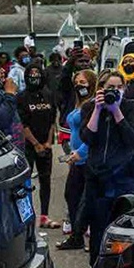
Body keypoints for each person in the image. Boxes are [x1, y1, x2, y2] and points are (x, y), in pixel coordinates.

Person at [81, 71, 134, 264]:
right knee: (99, 228)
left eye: (119, 88)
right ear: (101, 89)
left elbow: (132, 139)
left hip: (123, 176)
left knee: (125, 227)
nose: (114, 92)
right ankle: (98, 267)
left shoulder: (130, 106)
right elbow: (87, 138)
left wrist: (116, 111)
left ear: (124, 88)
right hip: (98, 178)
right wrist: (98, 110)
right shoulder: (90, 107)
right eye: (110, 88)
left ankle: (126, 267)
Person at [55, 69, 97, 251]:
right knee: (72, 196)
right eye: (77, 82)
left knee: (88, 200)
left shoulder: (93, 105)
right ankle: (76, 236)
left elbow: (94, 132)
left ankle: (91, 235)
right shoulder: (78, 103)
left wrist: (81, 151)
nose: (79, 85)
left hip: (87, 157)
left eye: (83, 82)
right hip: (76, 158)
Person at [17, 63, 59, 229]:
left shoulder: (48, 94)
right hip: (29, 145)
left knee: (45, 180)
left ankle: (44, 216)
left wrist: (48, 142)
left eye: (37, 74)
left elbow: (52, 120)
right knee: (25, 182)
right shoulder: (22, 97)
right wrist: (35, 144)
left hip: (45, 144)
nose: (35, 77)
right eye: (31, 74)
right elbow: (23, 124)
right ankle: (26, 217)